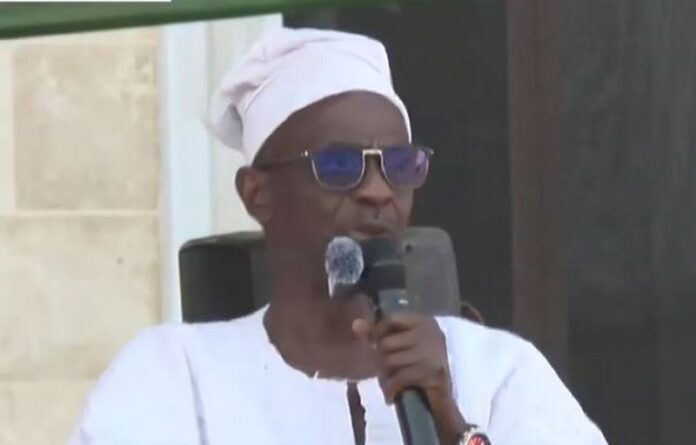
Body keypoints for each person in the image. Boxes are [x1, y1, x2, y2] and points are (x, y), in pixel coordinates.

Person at [69, 28, 607, 445]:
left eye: (399, 164)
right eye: (339, 164)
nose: (377, 191)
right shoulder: (173, 377)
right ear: (257, 193)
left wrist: (454, 428)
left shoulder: (496, 371)